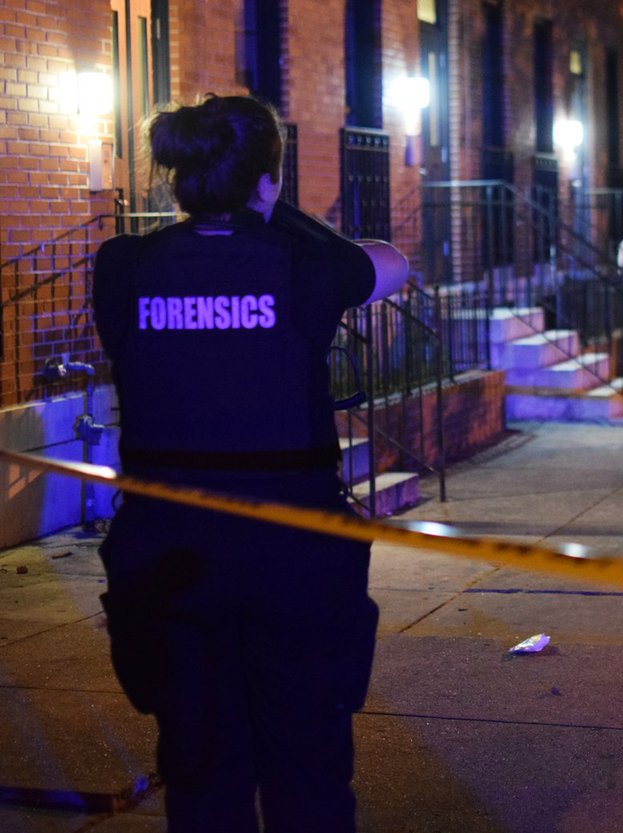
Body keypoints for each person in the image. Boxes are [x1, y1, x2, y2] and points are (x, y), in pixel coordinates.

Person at [91, 95, 409, 833]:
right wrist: (274, 211)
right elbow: (394, 265)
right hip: (291, 553)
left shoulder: (123, 266)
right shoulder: (305, 268)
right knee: (309, 773)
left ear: (177, 179)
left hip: (170, 553)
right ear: (267, 182)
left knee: (200, 772)